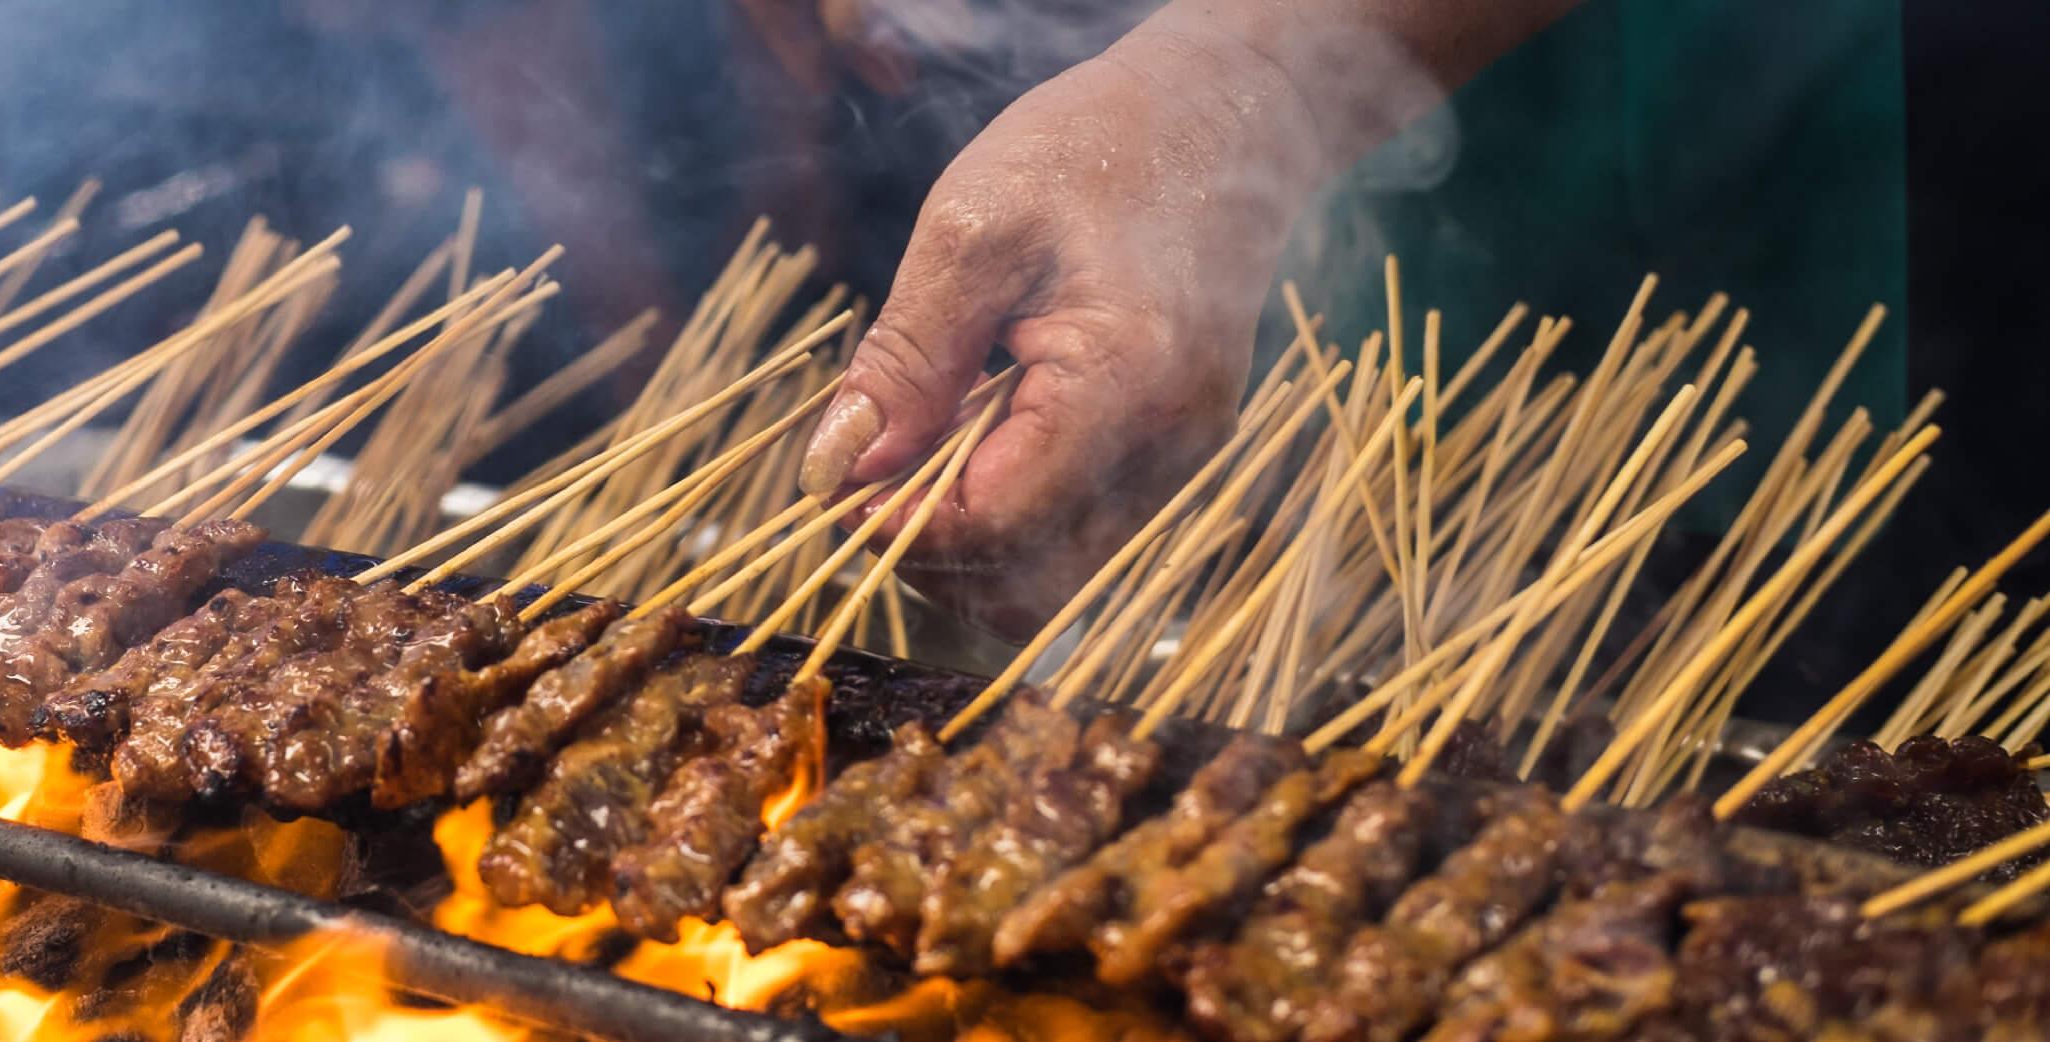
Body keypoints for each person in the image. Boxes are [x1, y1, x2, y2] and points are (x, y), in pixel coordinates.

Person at [790, 0, 1921, 652]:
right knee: (1245, 609)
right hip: (1160, 188)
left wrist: (1234, 75)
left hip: (1661, 151)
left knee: (1650, 644)